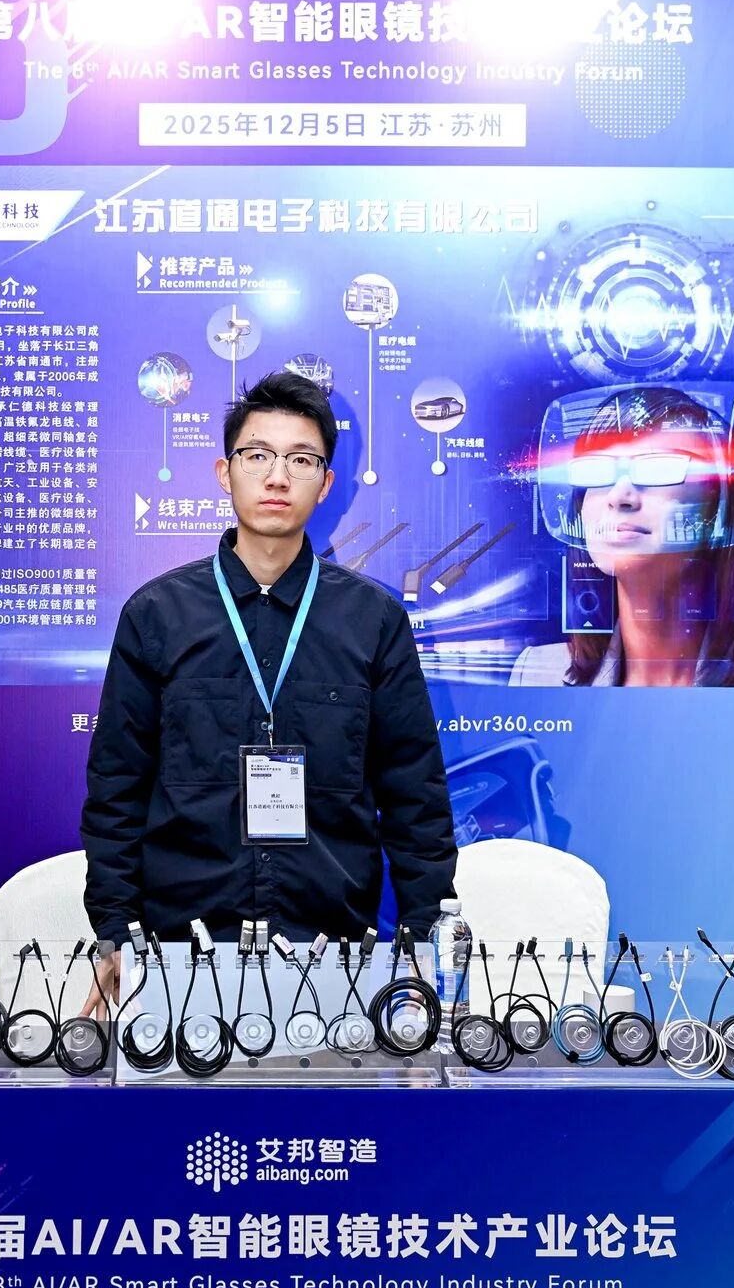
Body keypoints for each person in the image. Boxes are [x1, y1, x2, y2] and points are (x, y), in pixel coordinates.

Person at [82, 367, 457, 954]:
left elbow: (416, 796)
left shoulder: (374, 620)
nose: (278, 477)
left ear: (326, 484)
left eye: (301, 460)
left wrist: (424, 945)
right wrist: (115, 937)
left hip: (332, 947)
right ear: (224, 472)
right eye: (257, 456)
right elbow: (116, 791)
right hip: (181, 948)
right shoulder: (156, 616)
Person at [511, 384, 734, 689]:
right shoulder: (538, 674)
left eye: (659, 468)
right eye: (596, 470)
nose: (619, 496)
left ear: (718, 502)